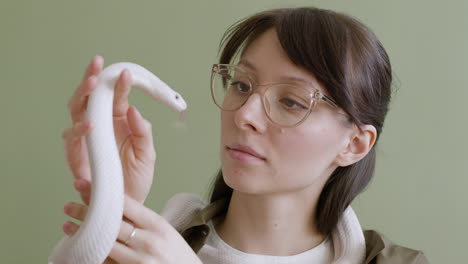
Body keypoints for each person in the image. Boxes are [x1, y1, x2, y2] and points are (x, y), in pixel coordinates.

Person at [60, 7, 429, 264]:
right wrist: (113, 212)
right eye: (240, 84)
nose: (245, 114)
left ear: (353, 144)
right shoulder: (154, 248)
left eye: (291, 101)